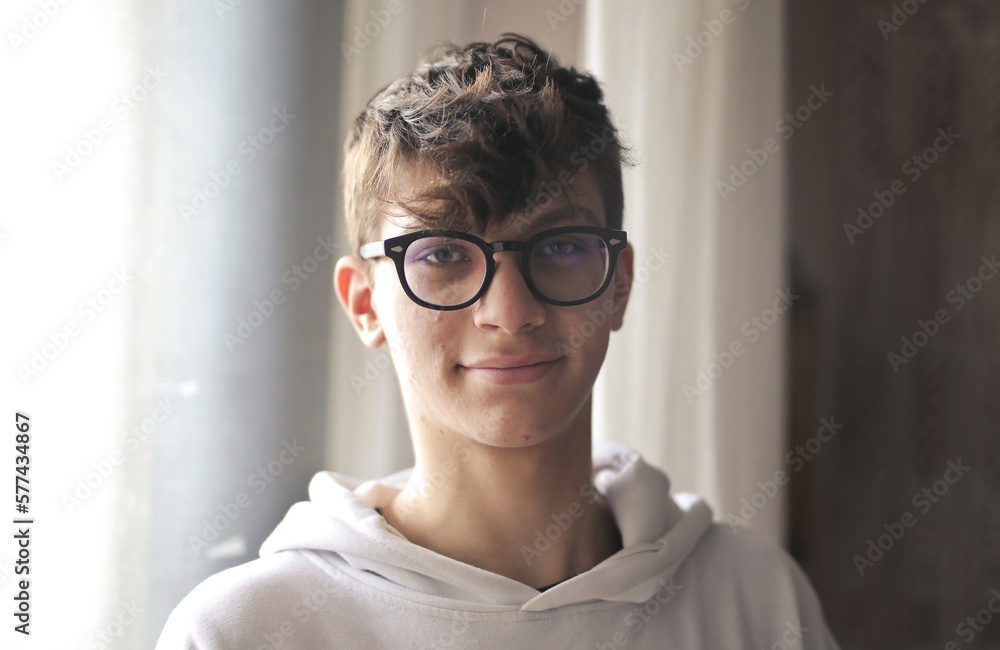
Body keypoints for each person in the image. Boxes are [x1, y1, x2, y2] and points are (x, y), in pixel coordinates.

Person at [157, 34, 840, 649]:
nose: (510, 313)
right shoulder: (243, 631)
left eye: (562, 246)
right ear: (365, 304)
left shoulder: (754, 599)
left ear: (620, 284)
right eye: (444, 255)